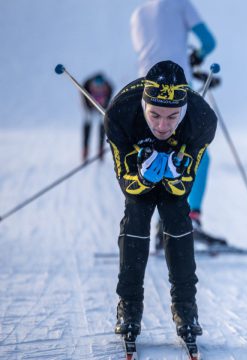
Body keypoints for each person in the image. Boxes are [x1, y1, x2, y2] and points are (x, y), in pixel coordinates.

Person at [105, 60, 217, 341]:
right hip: (138, 171)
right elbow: (126, 184)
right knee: (136, 215)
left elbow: (184, 187)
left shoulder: (202, 119)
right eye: (154, 115)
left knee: (177, 215)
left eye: (172, 117)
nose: (162, 126)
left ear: (184, 110)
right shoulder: (120, 113)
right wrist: (142, 177)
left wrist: (175, 176)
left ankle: (186, 308)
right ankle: (129, 306)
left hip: (172, 178)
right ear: (143, 106)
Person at [130, 0, 223, 249]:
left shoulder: (138, 14)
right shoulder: (180, 4)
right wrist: (196, 57)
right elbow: (208, 42)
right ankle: (188, 220)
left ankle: (163, 225)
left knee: (157, 155)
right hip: (178, 92)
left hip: (145, 95)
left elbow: (150, 51)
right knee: (198, 155)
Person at [81, 73, 113, 162]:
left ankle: (100, 149)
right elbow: (84, 103)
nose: (99, 89)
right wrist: (89, 105)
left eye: (101, 87)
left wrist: (104, 104)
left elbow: (108, 103)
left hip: (102, 106)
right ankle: (85, 149)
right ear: (91, 87)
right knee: (88, 121)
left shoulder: (109, 88)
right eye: (96, 87)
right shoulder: (85, 87)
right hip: (89, 104)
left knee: (103, 122)